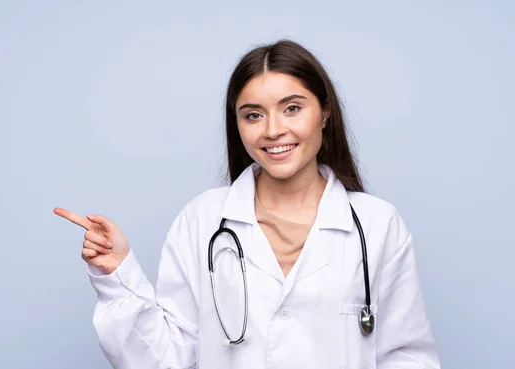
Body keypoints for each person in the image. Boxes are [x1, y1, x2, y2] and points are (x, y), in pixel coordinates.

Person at [54, 39, 441, 369]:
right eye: (253, 115)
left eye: (292, 108)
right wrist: (118, 276)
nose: (273, 130)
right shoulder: (203, 220)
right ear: (237, 124)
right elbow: (169, 357)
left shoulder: (376, 224)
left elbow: (407, 357)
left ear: (324, 112)